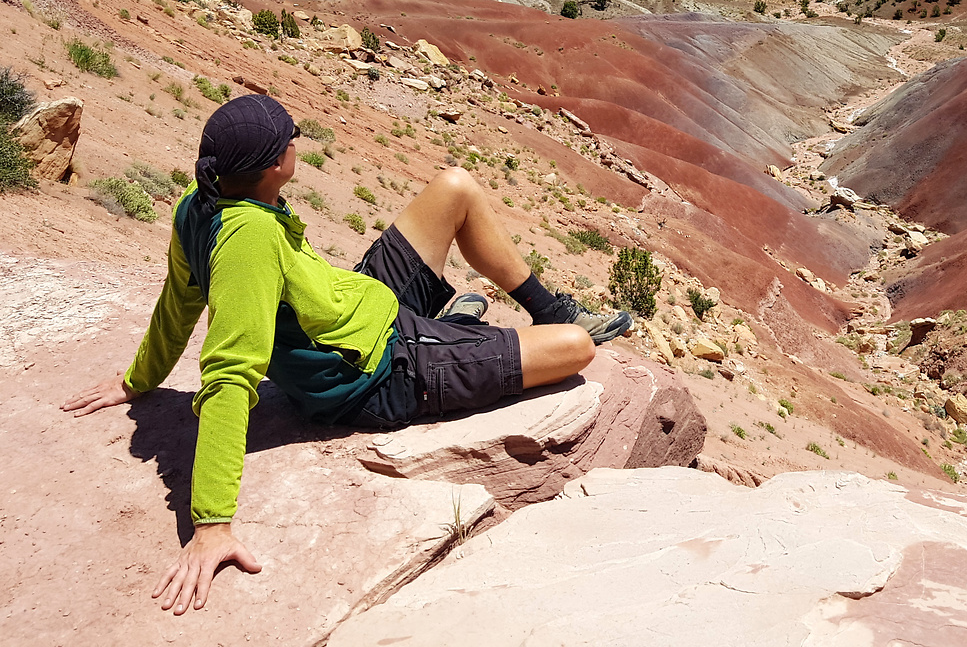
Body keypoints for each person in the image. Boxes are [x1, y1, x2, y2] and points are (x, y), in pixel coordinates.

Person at [62, 94, 631, 615]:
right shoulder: (249, 241)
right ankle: (458, 336)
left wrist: (138, 380)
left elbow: (175, 301)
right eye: (289, 139)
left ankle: (546, 308)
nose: (294, 144)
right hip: (384, 370)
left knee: (454, 188)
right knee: (576, 351)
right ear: (272, 165)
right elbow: (230, 374)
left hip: (356, 303)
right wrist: (211, 524)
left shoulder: (199, 203)